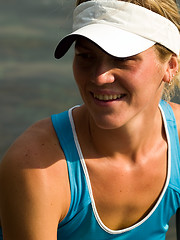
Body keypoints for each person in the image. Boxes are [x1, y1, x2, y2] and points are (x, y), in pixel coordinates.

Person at [0, 0, 180, 239]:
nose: (100, 76)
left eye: (121, 58)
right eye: (86, 56)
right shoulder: (36, 166)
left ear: (170, 66)